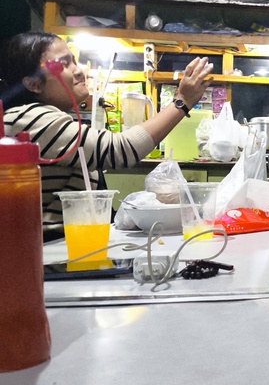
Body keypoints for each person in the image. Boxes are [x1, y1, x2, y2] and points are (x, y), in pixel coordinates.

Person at [0, 31, 213, 234]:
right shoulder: (29, 119)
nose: (78, 71)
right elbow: (121, 149)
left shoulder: (41, 117)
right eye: (63, 64)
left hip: (67, 245)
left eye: (74, 61)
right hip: (50, 251)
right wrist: (182, 102)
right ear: (33, 84)